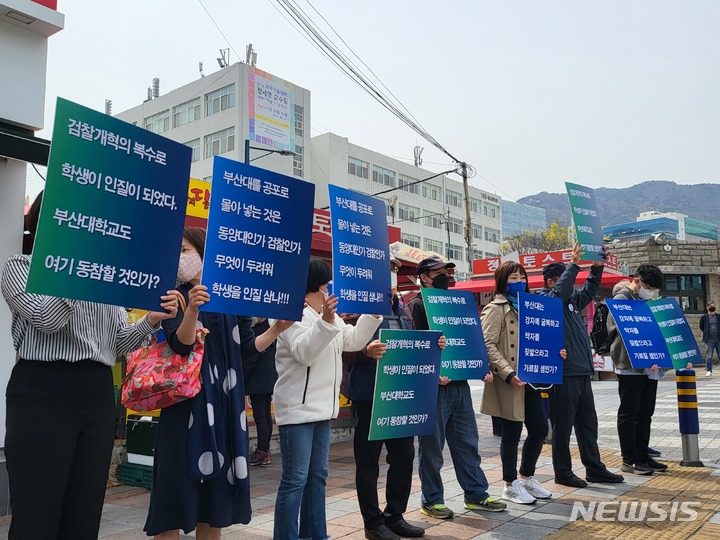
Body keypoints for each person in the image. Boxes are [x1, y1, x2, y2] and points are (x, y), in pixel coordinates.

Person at [1, 191, 179, 540]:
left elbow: (117, 346)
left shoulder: (105, 281)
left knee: (84, 510)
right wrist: (76, 269)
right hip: (43, 389)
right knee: (37, 510)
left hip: (96, 392)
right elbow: (47, 318)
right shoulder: (21, 266)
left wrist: (151, 320)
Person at [145, 227, 291, 539]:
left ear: (203, 253)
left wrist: (277, 330)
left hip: (225, 406)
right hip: (184, 406)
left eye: (185, 251)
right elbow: (181, 344)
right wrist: (192, 309)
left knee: (216, 498)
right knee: (174, 489)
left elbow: (246, 349)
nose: (180, 259)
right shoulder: (175, 297)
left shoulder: (230, 298)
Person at [272, 256, 382, 540]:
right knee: (295, 480)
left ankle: (316, 534)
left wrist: (373, 312)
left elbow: (354, 340)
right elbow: (303, 352)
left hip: (324, 410)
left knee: (317, 477)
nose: (329, 290)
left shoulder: (326, 315)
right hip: (297, 409)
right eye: (325, 284)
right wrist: (326, 321)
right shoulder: (288, 313)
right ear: (313, 286)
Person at [344, 258, 435, 540]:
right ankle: (373, 522)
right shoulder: (355, 306)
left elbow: (411, 347)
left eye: (394, 270)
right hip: (370, 396)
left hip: (400, 395)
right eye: (386, 270)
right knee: (369, 462)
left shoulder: (402, 308)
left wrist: (433, 346)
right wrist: (364, 352)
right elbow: (340, 347)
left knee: (404, 457)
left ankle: (394, 515)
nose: (391, 275)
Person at [409, 255, 506, 519]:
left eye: (449, 271)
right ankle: (431, 500)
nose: (447, 276)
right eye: (440, 271)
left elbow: (469, 338)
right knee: (432, 448)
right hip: (434, 387)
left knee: (467, 443)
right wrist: (432, 373)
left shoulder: (457, 302)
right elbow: (417, 345)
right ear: (425, 276)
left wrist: (479, 365)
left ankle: (476, 495)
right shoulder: (417, 305)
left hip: (460, 384)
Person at [536, 243, 624, 488]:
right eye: (564, 279)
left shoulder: (572, 301)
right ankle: (562, 472)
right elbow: (559, 295)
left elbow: (590, 289)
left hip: (582, 371)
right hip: (563, 373)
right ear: (553, 282)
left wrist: (597, 268)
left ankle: (594, 468)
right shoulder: (546, 300)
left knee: (588, 424)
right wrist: (574, 265)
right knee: (563, 427)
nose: (572, 285)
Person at [481, 261, 561, 504]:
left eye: (522, 277)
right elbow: (487, 344)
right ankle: (509, 484)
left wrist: (557, 353)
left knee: (539, 429)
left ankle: (526, 476)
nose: (519, 282)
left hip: (533, 379)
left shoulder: (534, 307)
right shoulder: (496, 308)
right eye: (513, 278)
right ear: (503, 281)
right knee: (512, 433)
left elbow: (544, 338)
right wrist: (506, 372)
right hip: (510, 382)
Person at [607, 264, 669, 476]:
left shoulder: (647, 301)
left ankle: (643, 455)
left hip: (650, 366)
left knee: (645, 412)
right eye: (648, 286)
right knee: (630, 412)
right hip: (629, 365)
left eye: (653, 288)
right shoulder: (621, 300)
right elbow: (623, 333)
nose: (650, 291)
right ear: (637, 280)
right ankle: (629, 459)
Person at [244, 317, 279, 466]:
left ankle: (262, 450)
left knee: (260, 416)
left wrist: (243, 378)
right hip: (269, 378)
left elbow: (251, 359)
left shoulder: (257, 333)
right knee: (265, 415)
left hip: (257, 379)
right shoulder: (270, 331)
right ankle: (265, 449)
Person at [699, 300, 720, 377]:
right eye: (711, 306)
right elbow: (702, 327)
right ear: (707, 307)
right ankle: (709, 370)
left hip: (718, 338)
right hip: (709, 339)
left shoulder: (718, 317)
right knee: (709, 355)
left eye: (714, 306)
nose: (712, 308)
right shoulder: (704, 317)